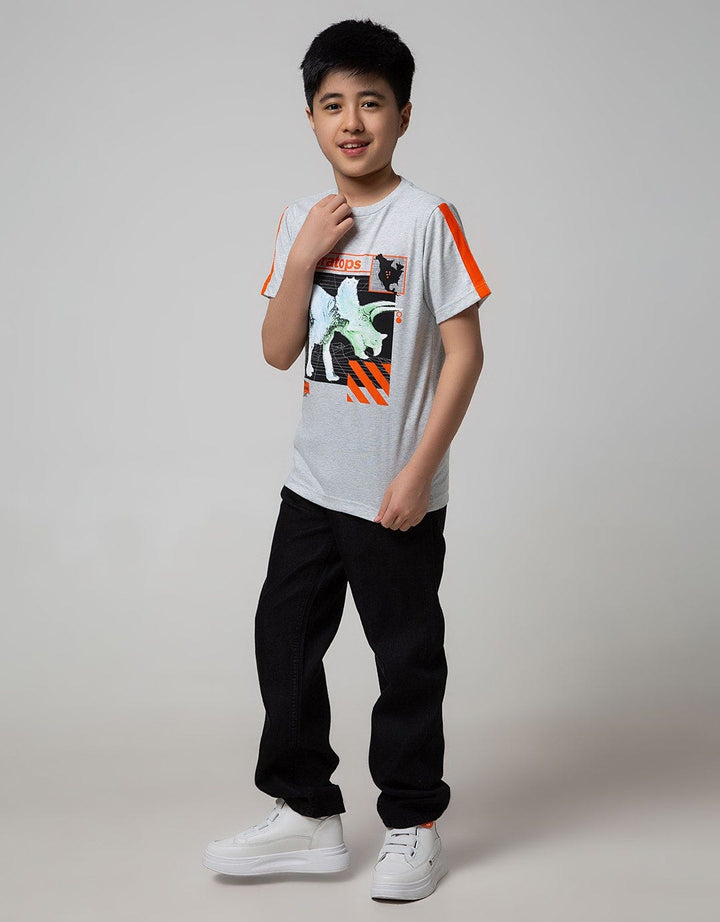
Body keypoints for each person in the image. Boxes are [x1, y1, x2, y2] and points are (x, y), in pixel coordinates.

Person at [203, 18, 492, 902]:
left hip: (394, 492)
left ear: (403, 114)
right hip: (313, 484)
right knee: (283, 639)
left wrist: (418, 473)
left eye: (372, 102)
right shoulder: (302, 219)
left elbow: (466, 354)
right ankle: (308, 812)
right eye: (333, 104)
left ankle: (413, 823)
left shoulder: (427, 219)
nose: (353, 121)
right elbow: (276, 350)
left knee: (405, 659)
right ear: (311, 119)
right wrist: (302, 259)